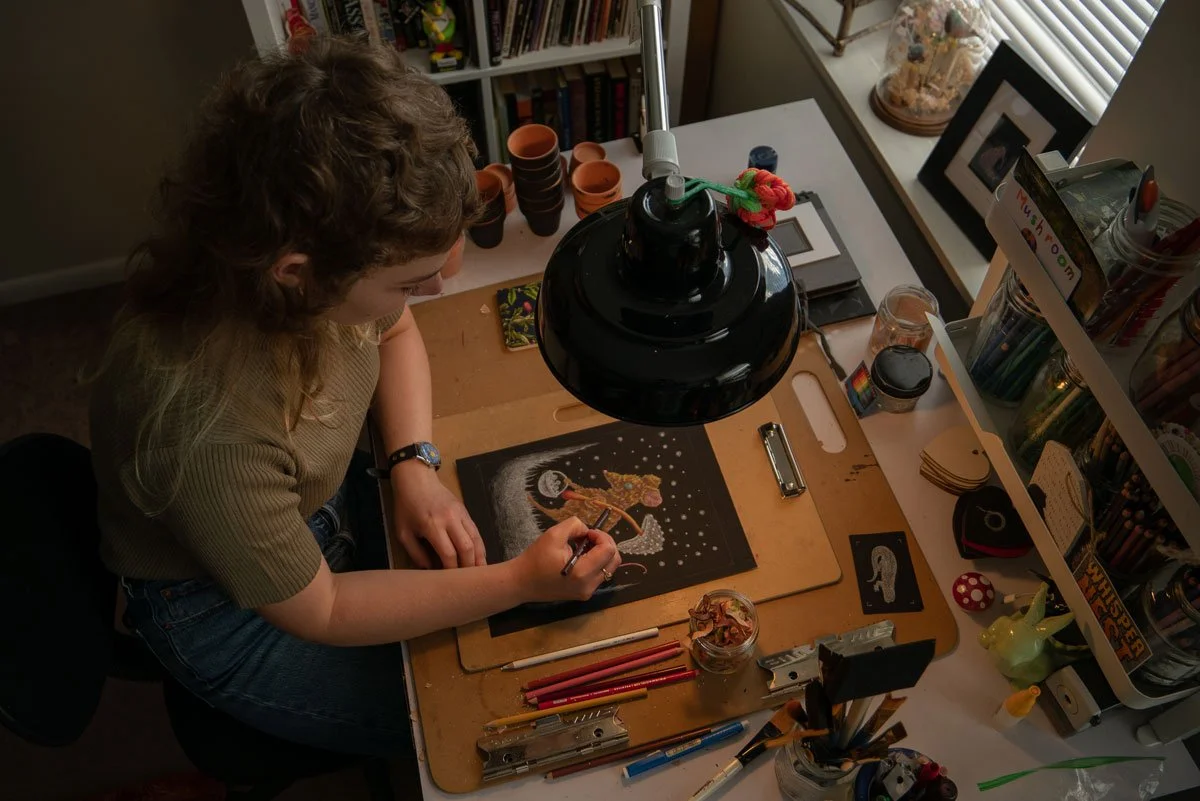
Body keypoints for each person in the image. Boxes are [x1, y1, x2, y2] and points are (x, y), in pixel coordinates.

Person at [89, 37, 620, 758]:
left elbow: (392, 330)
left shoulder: (293, 270)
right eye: (411, 280)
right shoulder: (206, 430)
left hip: (318, 496)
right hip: (231, 611)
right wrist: (519, 582)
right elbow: (327, 608)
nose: (437, 290)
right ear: (295, 272)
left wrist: (413, 464)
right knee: (481, 717)